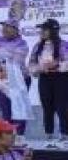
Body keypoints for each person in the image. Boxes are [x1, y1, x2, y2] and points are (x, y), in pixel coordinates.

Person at [0, 18, 31, 143]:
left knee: (19, 109)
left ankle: (20, 136)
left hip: (19, 80)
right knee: (6, 110)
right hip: (2, 81)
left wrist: (0, 65)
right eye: (3, 26)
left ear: (16, 30)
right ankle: (8, 136)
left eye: (8, 26)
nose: (4, 29)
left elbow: (16, 62)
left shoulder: (21, 43)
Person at [28, 18, 68, 148]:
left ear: (53, 30)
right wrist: (39, 69)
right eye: (42, 29)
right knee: (47, 107)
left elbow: (66, 62)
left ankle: (64, 136)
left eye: (45, 29)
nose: (42, 32)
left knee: (63, 107)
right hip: (44, 79)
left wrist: (56, 65)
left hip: (61, 78)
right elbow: (31, 64)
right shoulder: (37, 46)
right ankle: (49, 135)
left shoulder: (64, 44)